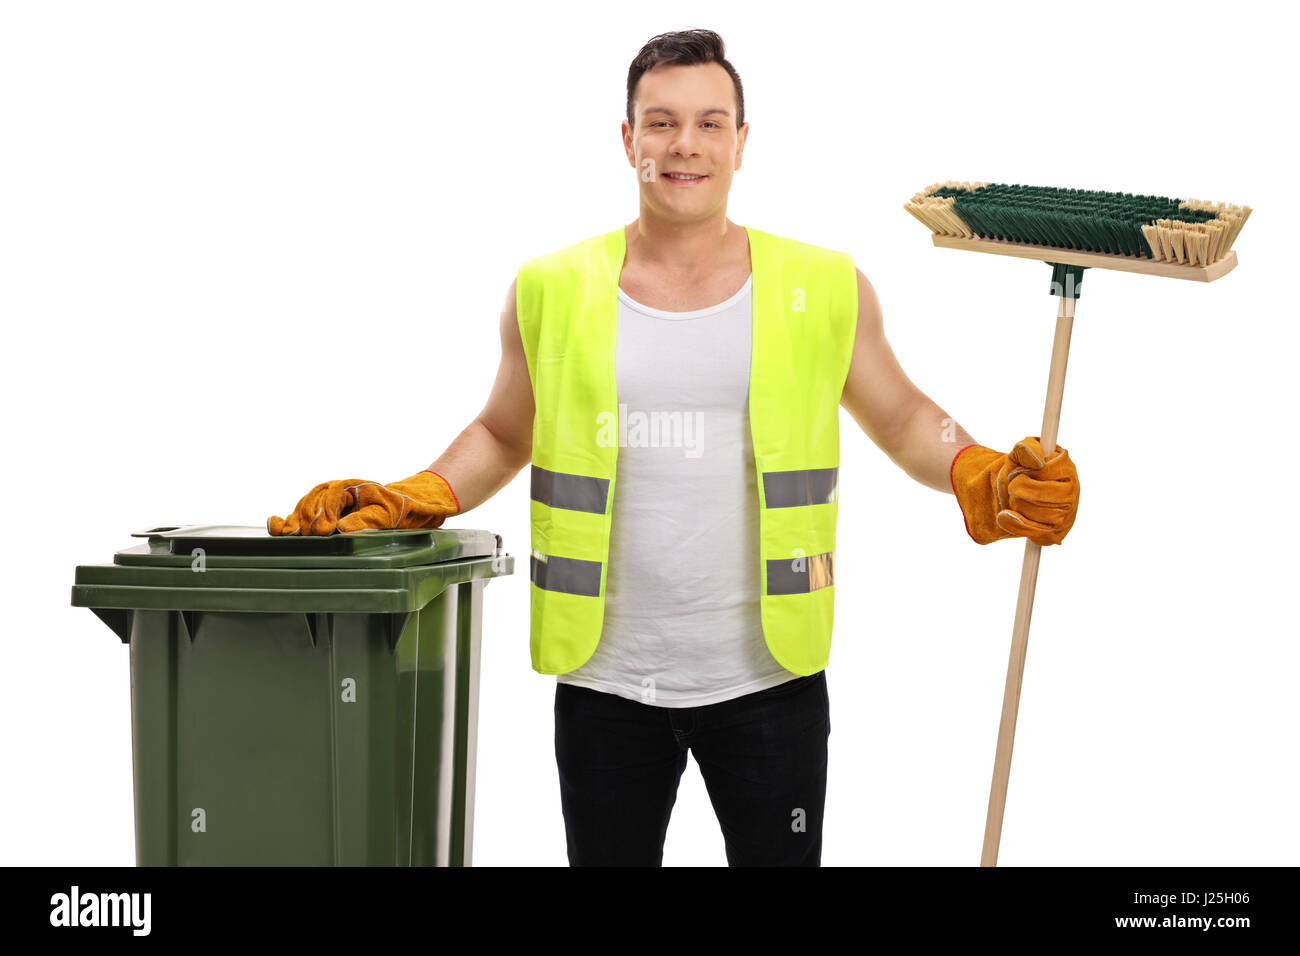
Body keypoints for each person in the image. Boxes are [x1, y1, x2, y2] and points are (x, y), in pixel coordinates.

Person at [267, 29, 1080, 866]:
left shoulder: (823, 286)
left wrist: (976, 468)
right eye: (660, 123)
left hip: (771, 678)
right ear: (628, 141)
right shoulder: (552, 287)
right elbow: (505, 431)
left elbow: (904, 416)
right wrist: (417, 493)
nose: (685, 144)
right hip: (607, 679)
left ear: (741, 142)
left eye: (710, 123)